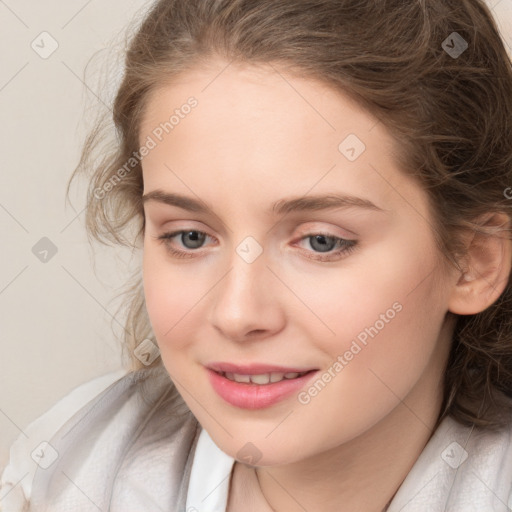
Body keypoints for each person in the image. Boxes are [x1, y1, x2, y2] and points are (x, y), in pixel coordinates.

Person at [2, 0, 512, 510]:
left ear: (474, 260)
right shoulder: (65, 473)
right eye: (190, 237)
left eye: (321, 241)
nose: (237, 313)